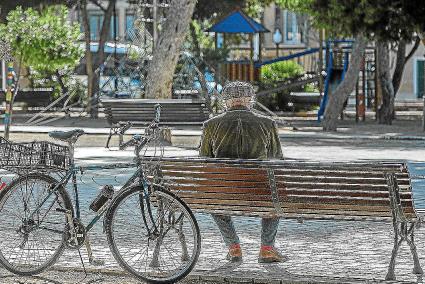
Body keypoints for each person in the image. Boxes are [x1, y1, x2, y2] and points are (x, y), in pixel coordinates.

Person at [199, 81, 284, 263]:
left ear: (227, 102)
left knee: (214, 198)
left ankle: (234, 248)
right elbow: (277, 160)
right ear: (249, 100)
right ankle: (267, 249)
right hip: (259, 194)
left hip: (225, 194)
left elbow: (204, 161)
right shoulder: (267, 123)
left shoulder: (210, 125)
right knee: (274, 195)